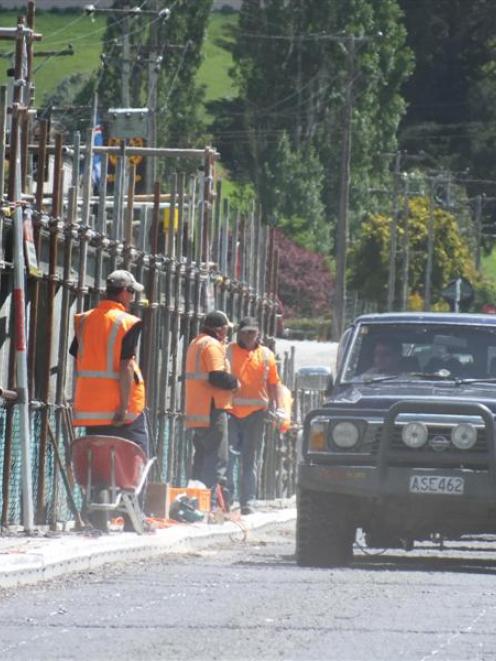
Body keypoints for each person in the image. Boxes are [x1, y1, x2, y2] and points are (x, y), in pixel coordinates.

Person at [70, 269, 149, 455]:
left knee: (99, 466)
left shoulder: (85, 319)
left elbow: (78, 359)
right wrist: (123, 407)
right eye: (132, 292)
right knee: (136, 462)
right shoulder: (127, 322)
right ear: (124, 292)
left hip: (92, 411)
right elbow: (125, 366)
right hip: (120, 413)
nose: (132, 297)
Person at [226, 317, 284, 515]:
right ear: (239, 333)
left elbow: (274, 383)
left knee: (250, 460)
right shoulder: (229, 351)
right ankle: (226, 499)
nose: (249, 336)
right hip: (230, 412)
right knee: (228, 458)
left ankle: (247, 502)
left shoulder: (266, 355)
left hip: (257, 415)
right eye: (246, 332)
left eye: (253, 332)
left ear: (258, 333)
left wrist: (279, 407)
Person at [184, 310, 238, 503]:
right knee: (217, 459)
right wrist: (235, 383)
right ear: (220, 329)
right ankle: (211, 504)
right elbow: (217, 376)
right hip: (212, 409)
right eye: (226, 330)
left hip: (198, 409)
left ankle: (195, 502)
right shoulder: (212, 345)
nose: (227, 334)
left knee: (200, 458)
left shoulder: (195, 343)